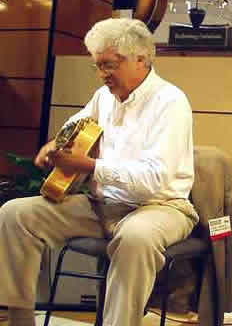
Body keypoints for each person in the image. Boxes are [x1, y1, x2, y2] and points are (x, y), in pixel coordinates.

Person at [0, 18, 199, 326]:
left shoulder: (170, 102)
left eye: (109, 65)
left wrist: (90, 166)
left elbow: (153, 179)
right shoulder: (103, 97)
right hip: (100, 206)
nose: (103, 75)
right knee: (16, 214)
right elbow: (76, 126)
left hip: (160, 207)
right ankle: (19, 319)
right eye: (97, 65)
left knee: (135, 237)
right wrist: (56, 142)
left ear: (141, 59)